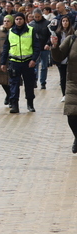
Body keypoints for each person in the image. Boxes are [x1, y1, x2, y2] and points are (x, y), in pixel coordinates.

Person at [0, 13, 38, 114]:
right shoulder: (11, 32)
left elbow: (36, 46)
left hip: (28, 62)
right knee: (14, 85)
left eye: (20, 19)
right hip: (14, 62)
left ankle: (30, 104)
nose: (18, 21)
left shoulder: (31, 30)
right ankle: (14, 105)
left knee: (29, 84)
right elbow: (6, 48)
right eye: (16, 19)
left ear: (24, 20)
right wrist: (3, 62)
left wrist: (34, 60)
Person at [51, 24, 77, 153]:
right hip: (73, 82)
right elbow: (59, 56)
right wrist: (54, 46)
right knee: (71, 115)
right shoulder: (72, 39)